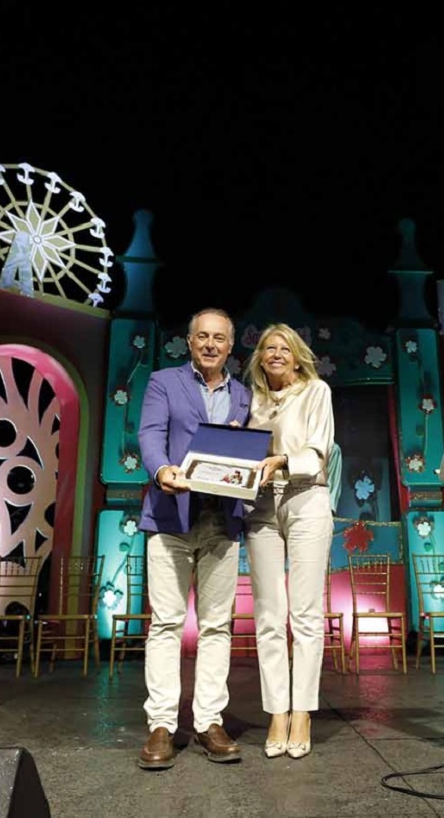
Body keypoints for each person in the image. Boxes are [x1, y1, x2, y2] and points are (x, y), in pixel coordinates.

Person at [136, 308, 251, 769]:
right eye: (202, 336)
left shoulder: (242, 394)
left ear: (230, 345)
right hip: (170, 518)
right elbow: (149, 434)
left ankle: (208, 721)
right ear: (189, 341)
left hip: (222, 521)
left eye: (218, 338)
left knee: (217, 626)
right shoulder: (165, 381)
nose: (210, 344)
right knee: (165, 623)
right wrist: (162, 470)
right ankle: (162, 725)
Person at [243, 323, 335, 760]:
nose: (276, 353)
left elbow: (319, 450)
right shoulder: (253, 400)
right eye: (268, 348)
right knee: (268, 615)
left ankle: (303, 711)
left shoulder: (316, 392)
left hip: (306, 499)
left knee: (305, 614)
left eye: (284, 348)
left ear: (296, 356)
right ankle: (276, 712)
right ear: (260, 357)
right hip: (261, 504)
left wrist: (280, 459)